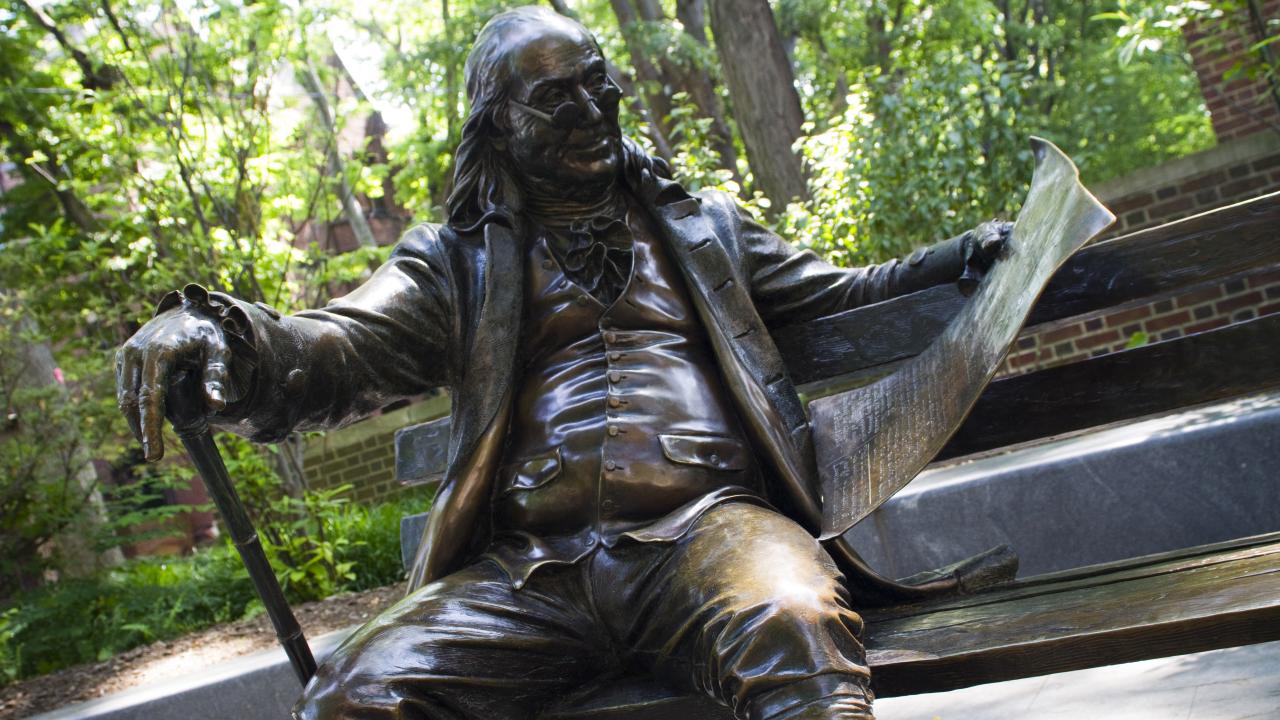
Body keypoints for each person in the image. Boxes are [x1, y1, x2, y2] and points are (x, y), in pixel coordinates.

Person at [116, 8, 1008, 719]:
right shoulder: (455, 263)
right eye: (556, 98)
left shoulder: (704, 227)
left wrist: (961, 257)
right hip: (529, 574)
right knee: (354, 698)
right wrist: (219, 338)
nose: (592, 110)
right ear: (498, 126)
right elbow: (338, 347)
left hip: (707, 534)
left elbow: (847, 295)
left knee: (792, 622)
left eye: (599, 83)